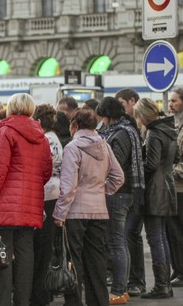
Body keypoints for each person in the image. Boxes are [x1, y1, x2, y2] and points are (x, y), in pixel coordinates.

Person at [0, 93, 52, 306]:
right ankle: (22, 301)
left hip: (7, 205)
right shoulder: (41, 136)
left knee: (3, 256)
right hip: (30, 204)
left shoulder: (5, 133)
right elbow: (45, 171)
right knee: (26, 256)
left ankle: (2, 302)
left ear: (10, 108)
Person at [52, 109, 124, 306]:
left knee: (74, 261)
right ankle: (99, 301)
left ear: (75, 125)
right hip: (99, 210)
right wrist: (101, 190)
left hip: (75, 212)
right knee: (97, 260)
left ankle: (74, 302)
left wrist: (59, 214)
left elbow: (68, 187)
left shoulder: (73, 148)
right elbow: (119, 177)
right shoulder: (105, 146)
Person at [96, 96, 144, 304]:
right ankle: (120, 288)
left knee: (116, 241)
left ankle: (118, 290)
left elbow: (114, 163)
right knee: (118, 241)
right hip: (123, 192)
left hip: (118, 193)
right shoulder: (125, 131)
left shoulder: (121, 134)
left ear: (107, 115)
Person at [134, 98, 178, 299]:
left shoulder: (153, 133)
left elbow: (151, 164)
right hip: (167, 186)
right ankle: (165, 284)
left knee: (155, 238)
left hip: (154, 190)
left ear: (143, 115)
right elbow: (174, 158)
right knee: (162, 238)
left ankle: (161, 285)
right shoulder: (169, 129)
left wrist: (135, 170)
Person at [114, 88, 146, 297]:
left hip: (132, 189)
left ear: (131, 101)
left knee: (129, 236)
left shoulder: (131, 129)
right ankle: (134, 280)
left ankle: (136, 281)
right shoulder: (132, 128)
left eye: (121, 103)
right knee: (129, 236)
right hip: (134, 188)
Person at [30, 104, 63, 306]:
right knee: (47, 247)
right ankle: (44, 291)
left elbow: (41, 167)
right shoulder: (56, 140)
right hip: (55, 194)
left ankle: (39, 293)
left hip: (44, 196)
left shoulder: (44, 139)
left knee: (39, 248)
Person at [168, 87, 183, 287]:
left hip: (180, 187)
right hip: (173, 187)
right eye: (170, 101)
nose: (170, 105)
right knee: (172, 232)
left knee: (178, 231)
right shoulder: (174, 124)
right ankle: (178, 269)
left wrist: (167, 170)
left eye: (174, 101)